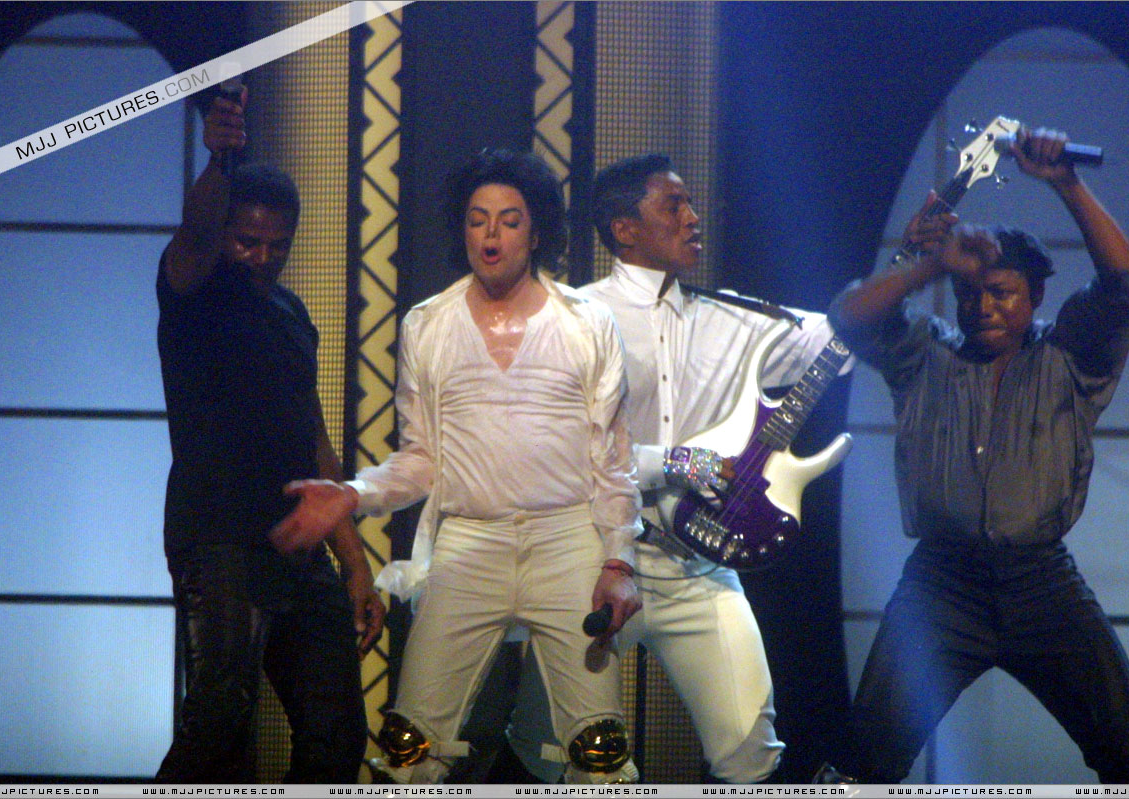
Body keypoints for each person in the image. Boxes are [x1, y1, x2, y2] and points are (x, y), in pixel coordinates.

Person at [477, 153, 852, 784]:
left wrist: (913, 265)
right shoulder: (571, 318)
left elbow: (846, 338)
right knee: (552, 753)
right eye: (673, 205)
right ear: (625, 229)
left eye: (691, 204)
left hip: (699, 568)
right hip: (595, 563)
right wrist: (676, 463)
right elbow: (558, 450)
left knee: (752, 752)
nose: (692, 216)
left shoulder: (738, 317)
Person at [273, 148, 644, 784]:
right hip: (470, 544)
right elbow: (420, 460)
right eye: (478, 220)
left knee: (598, 753)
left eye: (509, 220)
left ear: (535, 232)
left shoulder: (586, 324)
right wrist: (351, 494)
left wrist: (618, 562)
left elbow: (613, 461)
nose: (491, 234)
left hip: (566, 541)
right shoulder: (429, 325)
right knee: (409, 746)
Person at [822, 127, 1129, 784]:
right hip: (941, 586)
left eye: (1002, 292)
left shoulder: (1070, 358)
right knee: (863, 765)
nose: (984, 307)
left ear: (1035, 299)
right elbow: (849, 317)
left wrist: (1065, 183)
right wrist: (930, 266)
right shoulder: (926, 354)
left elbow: (1127, 285)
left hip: (1042, 584)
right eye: (971, 293)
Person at [155, 86, 384, 783]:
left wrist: (354, 560)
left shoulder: (290, 313)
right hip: (219, 539)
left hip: (298, 543)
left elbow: (314, 442)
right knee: (219, 722)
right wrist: (220, 159)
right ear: (225, 232)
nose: (260, 256)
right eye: (246, 241)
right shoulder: (193, 292)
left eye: (276, 244)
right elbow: (195, 231)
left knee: (336, 735)